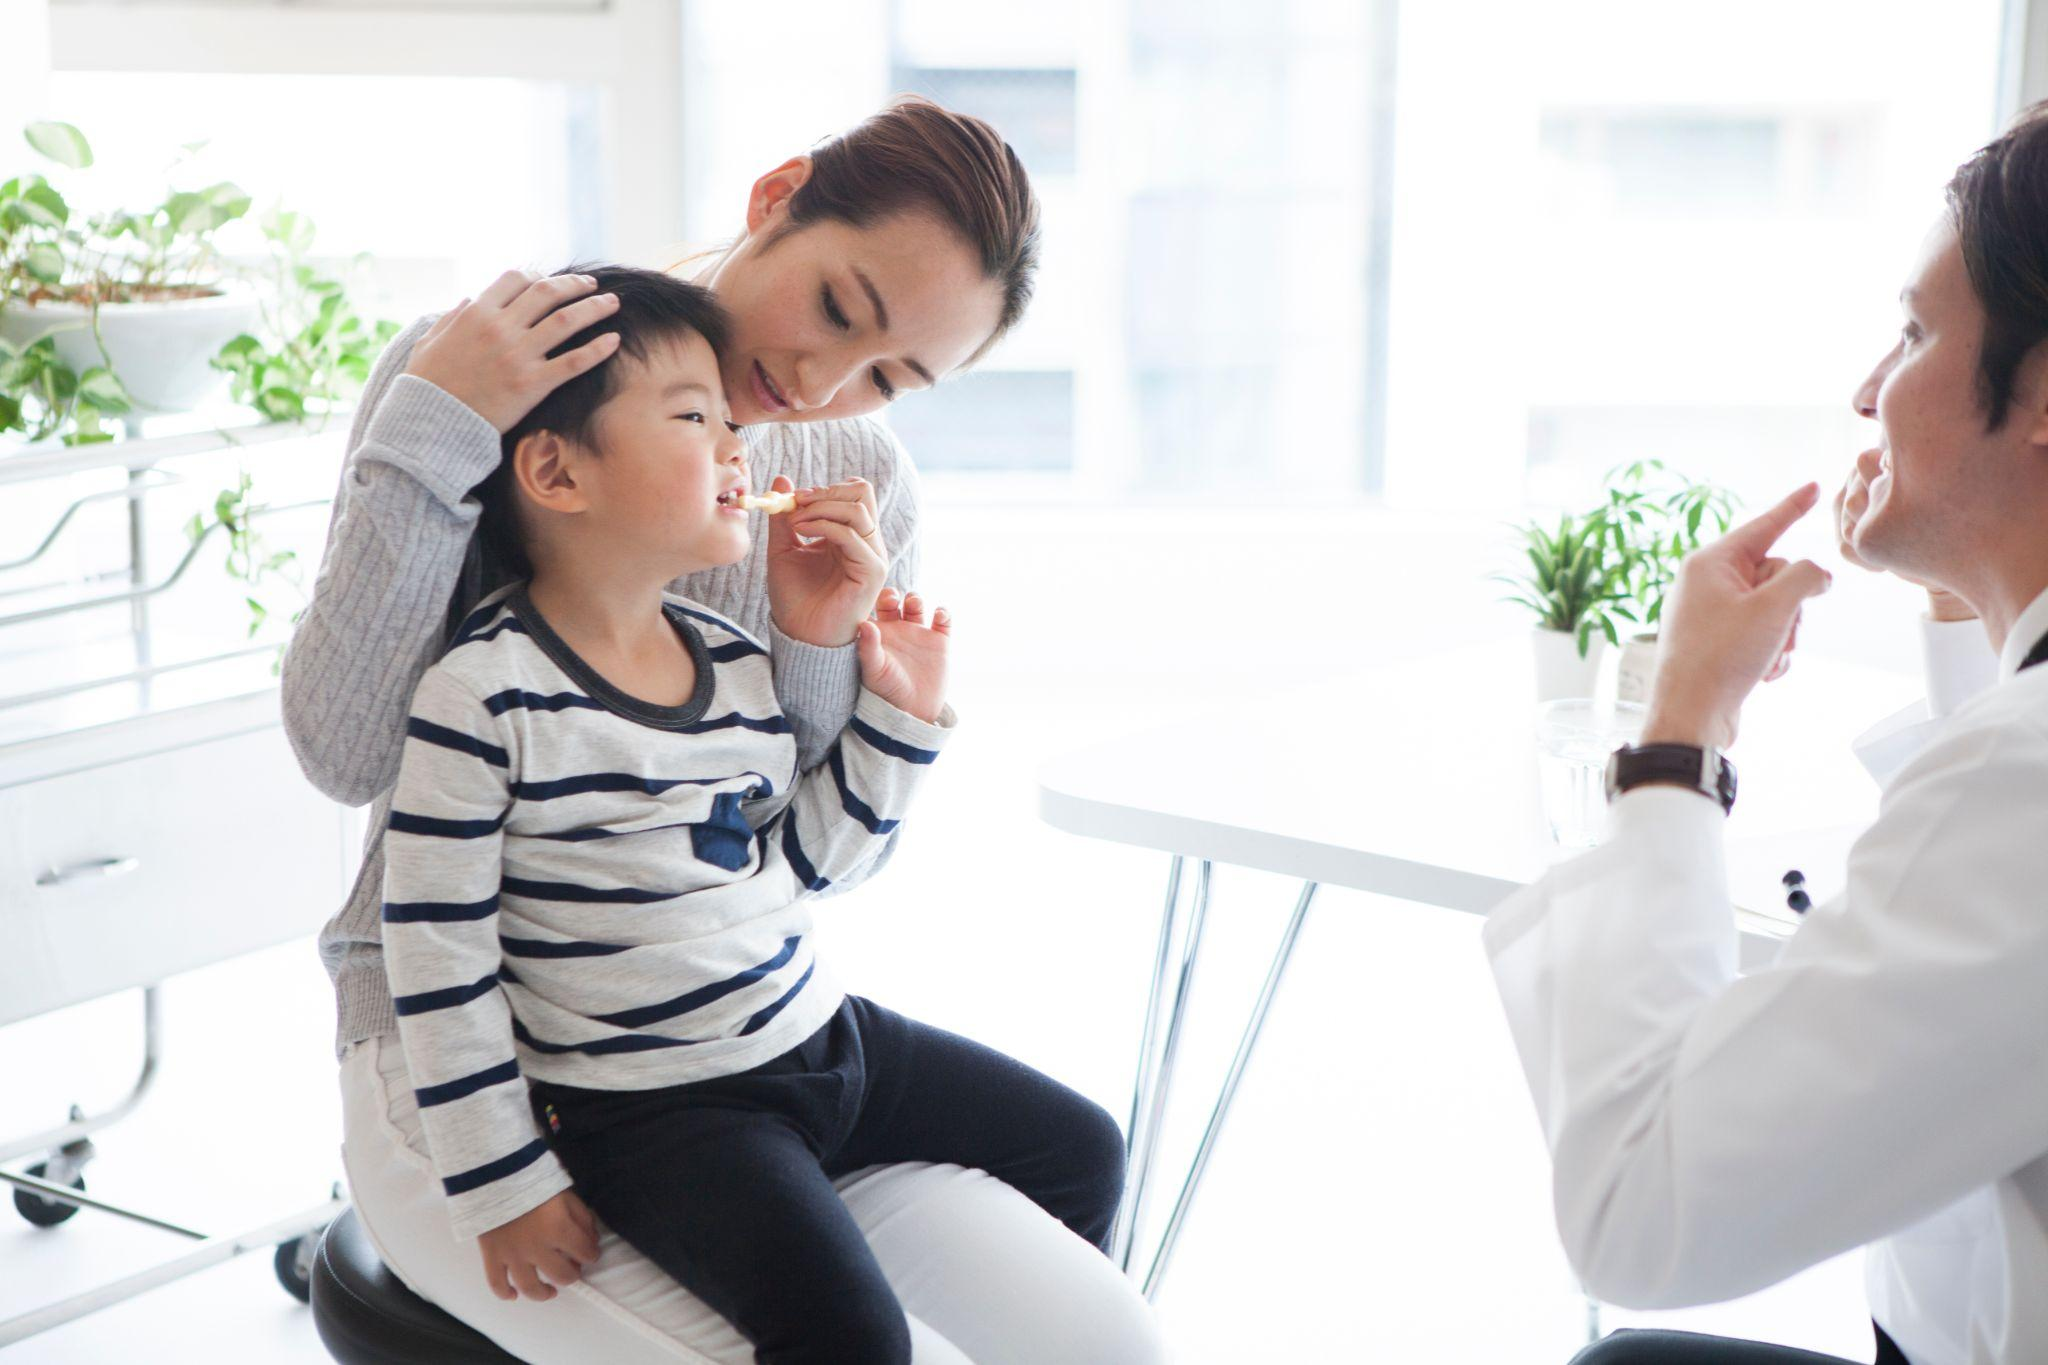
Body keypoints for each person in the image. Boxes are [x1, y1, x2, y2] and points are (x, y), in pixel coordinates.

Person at [289, 98, 1164, 1364]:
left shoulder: (850, 475)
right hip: (491, 1053)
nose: (818, 385)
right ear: (776, 198)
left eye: (889, 376)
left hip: (744, 1042)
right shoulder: (492, 367)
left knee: (1108, 1338)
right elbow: (346, 752)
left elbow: (818, 855)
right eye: (835, 309)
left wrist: (827, 652)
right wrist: (436, 424)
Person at [1483, 103, 2048, 1364]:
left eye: (1909, 334)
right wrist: (1967, 584)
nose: (1863, 392)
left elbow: (1640, 1210)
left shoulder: (2026, 781)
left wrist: (1678, 728)